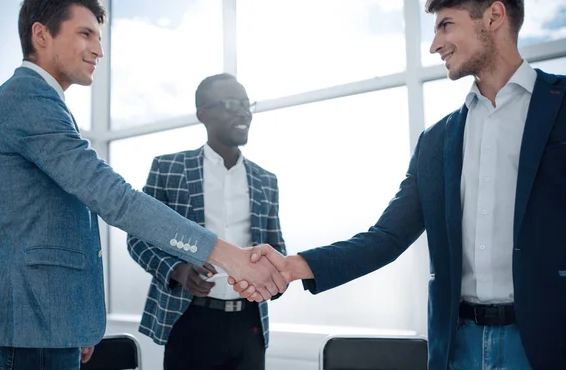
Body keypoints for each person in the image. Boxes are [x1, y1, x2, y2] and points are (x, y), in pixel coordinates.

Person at [233, 0, 566, 369]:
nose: (435, 45)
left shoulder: (561, 105)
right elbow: (386, 238)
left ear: (493, 16)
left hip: (546, 343)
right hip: (459, 348)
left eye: (445, 26)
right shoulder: (437, 141)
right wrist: (293, 266)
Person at [0, 1, 285, 369]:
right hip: (34, 318)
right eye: (85, 34)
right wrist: (226, 255)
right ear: (41, 34)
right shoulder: (28, 99)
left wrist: (77, 321)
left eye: (99, 38)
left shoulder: (42, 102)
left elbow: (52, 222)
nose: (99, 50)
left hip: (50, 321)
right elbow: (114, 198)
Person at [127, 73, 287, 370]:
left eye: (246, 103)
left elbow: (276, 247)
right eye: (230, 103)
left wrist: (277, 278)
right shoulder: (168, 168)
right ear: (203, 114)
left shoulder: (266, 180)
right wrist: (178, 271)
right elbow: (138, 238)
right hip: (189, 320)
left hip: (249, 325)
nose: (243, 111)